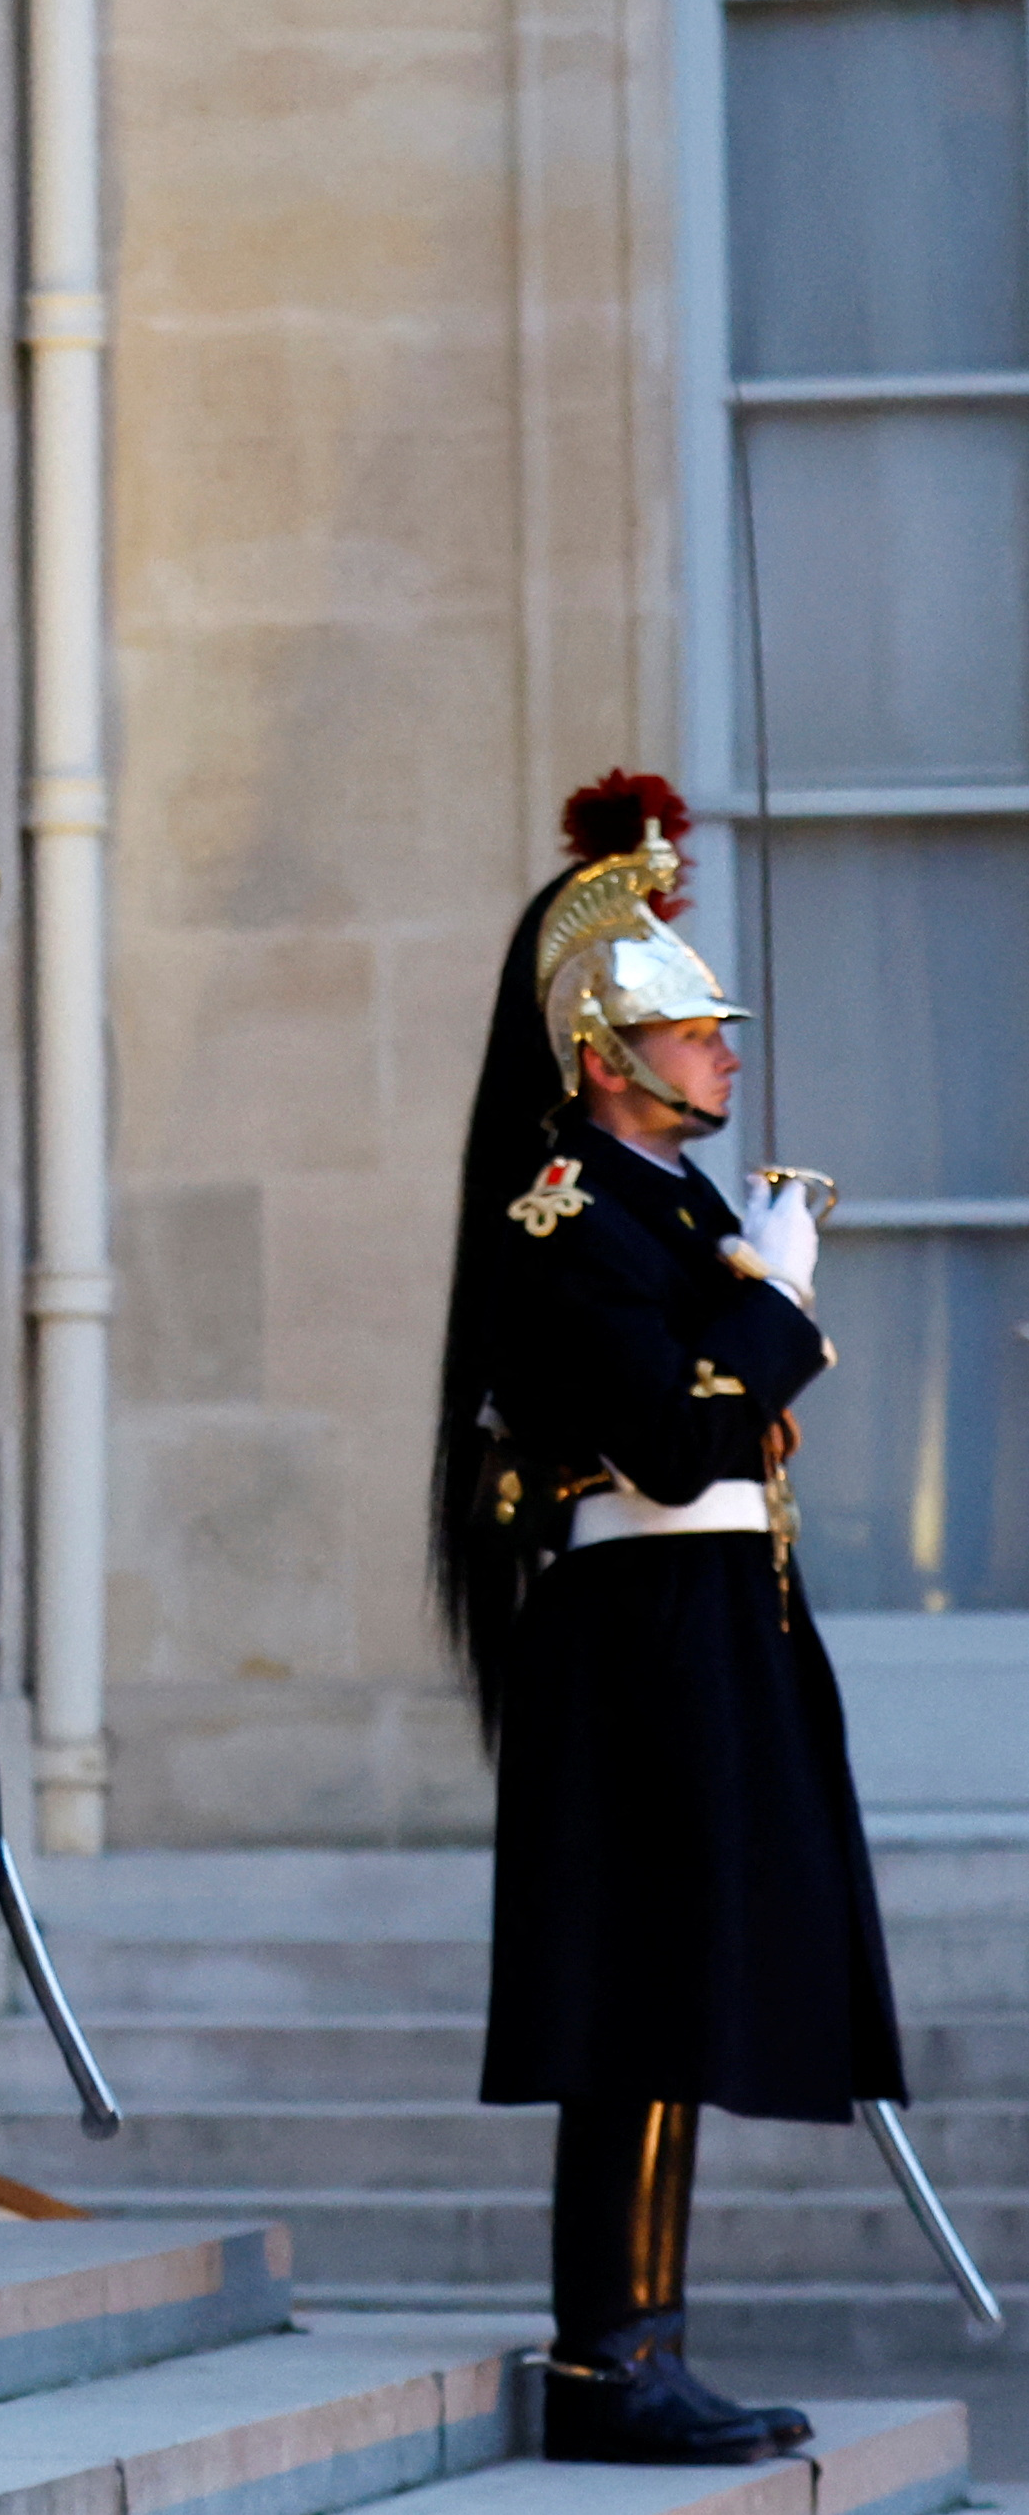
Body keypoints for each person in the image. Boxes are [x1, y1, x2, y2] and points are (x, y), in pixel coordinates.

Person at [428, 772, 894, 2467]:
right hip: (636, 1638)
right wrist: (771, 1305)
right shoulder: (569, 1216)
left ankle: (646, 2345)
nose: (725, 1053)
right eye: (693, 1033)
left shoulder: (675, 1210)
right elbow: (684, 1431)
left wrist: (745, 1294)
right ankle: (606, 2359)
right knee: (632, 2001)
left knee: (679, 1995)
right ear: (606, 1058)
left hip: (705, 1624)